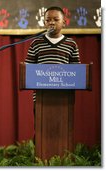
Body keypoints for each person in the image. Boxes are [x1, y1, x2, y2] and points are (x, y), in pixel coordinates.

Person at [25, 6, 81, 140]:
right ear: (44, 23)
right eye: (48, 20)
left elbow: (77, 71)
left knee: (63, 131)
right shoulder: (36, 43)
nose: (51, 22)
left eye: (56, 19)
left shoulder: (71, 44)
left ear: (64, 22)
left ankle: (62, 160)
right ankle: (40, 159)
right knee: (41, 131)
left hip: (64, 96)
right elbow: (27, 69)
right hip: (40, 97)